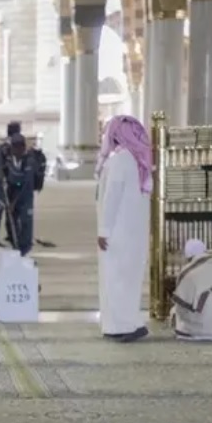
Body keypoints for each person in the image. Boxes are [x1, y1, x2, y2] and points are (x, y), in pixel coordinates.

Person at [96, 114, 152, 343]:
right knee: (127, 279)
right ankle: (120, 324)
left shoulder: (121, 160)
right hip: (134, 233)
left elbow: (111, 198)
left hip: (118, 232)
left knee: (116, 278)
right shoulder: (139, 161)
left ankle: (126, 324)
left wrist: (104, 230)